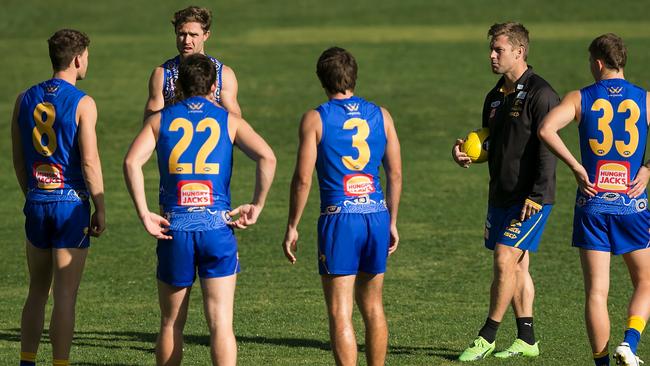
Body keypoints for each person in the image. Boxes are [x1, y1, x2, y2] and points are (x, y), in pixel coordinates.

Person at [124, 53, 275, 366]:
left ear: (177, 84)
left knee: (170, 323)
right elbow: (267, 157)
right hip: (216, 228)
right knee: (221, 324)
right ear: (214, 84)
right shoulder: (229, 120)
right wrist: (256, 204)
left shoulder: (159, 120)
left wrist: (143, 213)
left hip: (174, 228)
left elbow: (130, 162)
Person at [282, 47, 402, 366]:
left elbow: (303, 179)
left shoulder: (315, 118)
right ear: (354, 76)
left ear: (321, 79)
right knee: (374, 307)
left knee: (340, 312)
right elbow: (396, 173)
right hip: (376, 215)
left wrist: (292, 225)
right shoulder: (382, 115)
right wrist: (392, 221)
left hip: (340, 219)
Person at [539, 33, 650, 366]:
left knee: (597, 293)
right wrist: (646, 170)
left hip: (592, 204)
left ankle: (601, 363)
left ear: (598, 63)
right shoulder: (644, 99)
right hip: (631, 203)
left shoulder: (580, 97)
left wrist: (575, 167)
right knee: (645, 281)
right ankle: (629, 343)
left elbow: (546, 129)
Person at [452, 22, 559, 361]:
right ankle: (528, 339)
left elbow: (548, 150)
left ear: (519, 51)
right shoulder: (494, 98)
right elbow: (493, 147)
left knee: (503, 259)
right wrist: (465, 153)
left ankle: (487, 335)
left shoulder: (542, 94)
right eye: (492, 49)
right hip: (500, 195)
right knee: (517, 267)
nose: (492, 55)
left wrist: (537, 196)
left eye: (498, 49)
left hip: (531, 200)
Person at [11, 29, 105, 366]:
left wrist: (33, 196)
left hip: (36, 201)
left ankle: (26, 361)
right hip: (70, 206)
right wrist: (100, 207)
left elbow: (19, 160)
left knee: (37, 290)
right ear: (78, 58)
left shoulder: (24, 98)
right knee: (65, 296)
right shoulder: (83, 102)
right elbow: (89, 161)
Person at [144, 6, 241, 118]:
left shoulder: (223, 74)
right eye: (182, 34)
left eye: (193, 35)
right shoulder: (162, 74)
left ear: (206, 35)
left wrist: (206, 105)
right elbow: (150, 122)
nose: (187, 41)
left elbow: (235, 122)